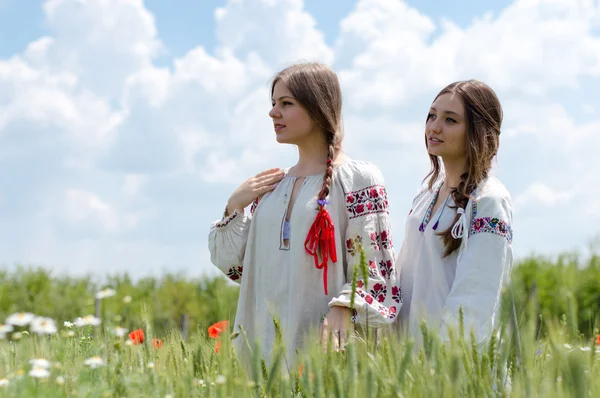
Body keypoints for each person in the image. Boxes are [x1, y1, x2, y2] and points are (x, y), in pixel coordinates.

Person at [208, 62, 401, 365]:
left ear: (318, 107)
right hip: (262, 353)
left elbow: (375, 267)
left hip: (324, 355)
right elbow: (239, 269)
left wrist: (344, 307)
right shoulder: (271, 186)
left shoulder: (357, 178)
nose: (273, 113)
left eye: (286, 103)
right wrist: (235, 206)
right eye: (273, 104)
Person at [396, 79, 513, 347]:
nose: (434, 127)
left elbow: (475, 298)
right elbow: (403, 274)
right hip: (405, 359)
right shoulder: (426, 193)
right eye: (432, 115)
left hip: (450, 366)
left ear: (477, 131)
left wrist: (442, 366)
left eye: (450, 120)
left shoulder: (488, 200)